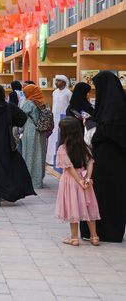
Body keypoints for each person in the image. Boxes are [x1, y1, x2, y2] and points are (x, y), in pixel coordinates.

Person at [80, 71, 126, 243]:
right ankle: (102, 231)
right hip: (110, 158)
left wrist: (94, 129)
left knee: (106, 193)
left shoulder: (113, 106)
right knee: (105, 193)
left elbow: (112, 131)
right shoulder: (113, 103)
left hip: (111, 159)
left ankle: (106, 231)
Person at [55, 117, 100, 246]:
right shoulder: (84, 146)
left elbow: (68, 167)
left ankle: (74, 238)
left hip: (71, 181)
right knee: (89, 206)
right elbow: (90, 162)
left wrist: (79, 180)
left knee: (72, 207)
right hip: (85, 180)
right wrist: (86, 179)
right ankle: (94, 236)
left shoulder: (63, 149)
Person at [21, 84, 48, 189]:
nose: (24, 94)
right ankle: (38, 180)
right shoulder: (42, 102)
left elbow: (21, 115)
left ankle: (30, 181)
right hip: (41, 131)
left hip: (30, 130)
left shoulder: (29, 103)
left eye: (25, 92)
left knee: (29, 154)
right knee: (40, 154)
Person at [46, 75, 72, 165]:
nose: (56, 82)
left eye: (58, 81)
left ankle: (60, 160)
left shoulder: (68, 93)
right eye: (56, 80)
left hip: (63, 118)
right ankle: (50, 159)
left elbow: (69, 106)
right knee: (53, 137)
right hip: (54, 118)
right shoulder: (54, 92)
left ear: (64, 82)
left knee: (60, 137)